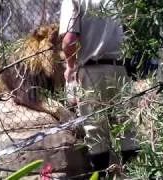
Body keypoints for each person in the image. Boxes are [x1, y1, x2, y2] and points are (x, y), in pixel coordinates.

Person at [59, 0, 139, 175]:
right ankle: (133, 174)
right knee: (127, 128)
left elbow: (69, 40)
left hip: (91, 71)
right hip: (120, 69)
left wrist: (70, 66)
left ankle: (100, 176)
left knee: (95, 132)